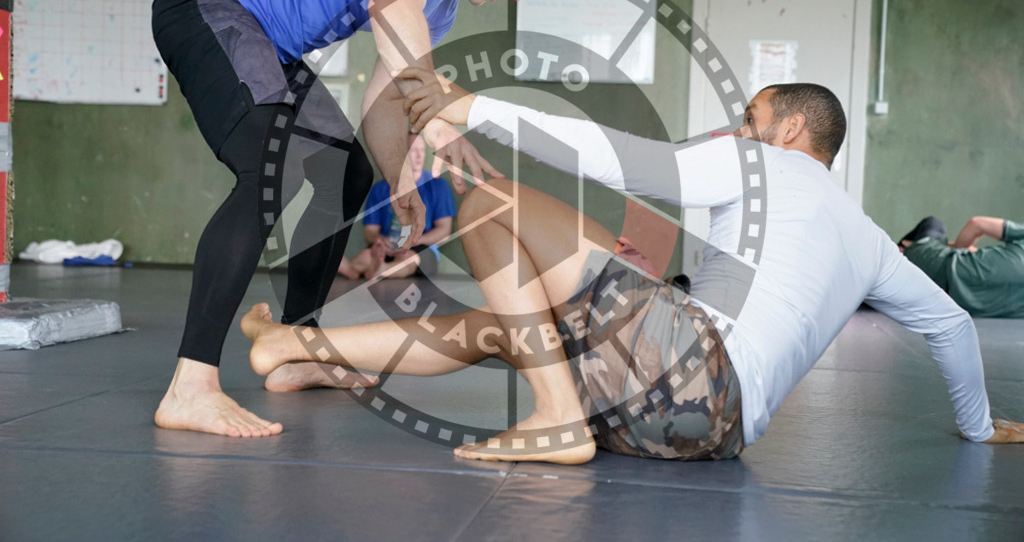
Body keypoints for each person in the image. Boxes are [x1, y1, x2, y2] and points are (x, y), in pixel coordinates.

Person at [240, 77, 1024, 463]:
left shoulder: (759, 166)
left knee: (481, 197)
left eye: (749, 118)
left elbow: (620, 162)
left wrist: (470, 107)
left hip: (680, 368)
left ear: (787, 129)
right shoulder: (867, 238)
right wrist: (977, 425)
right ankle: (302, 352)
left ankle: (554, 419)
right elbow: (952, 324)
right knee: (511, 324)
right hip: (705, 434)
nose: (734, 129)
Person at [150, 0, 573, 437]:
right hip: (210, 0)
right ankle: (190, 385)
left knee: (346, 174)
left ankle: (298, 351)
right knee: (269, 168)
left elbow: (383, 102)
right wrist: (441, 121)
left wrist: (402, 182)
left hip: (268, 43)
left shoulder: (440, 2)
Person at [338, 134, 455, 280]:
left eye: (422, 150)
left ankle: (382, 270)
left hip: (420, 247)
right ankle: (352, 270)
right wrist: (380, 240)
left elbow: (444, 231)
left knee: (409, 259)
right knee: (367, 255)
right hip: (388, 246)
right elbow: (370, 231)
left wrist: (415, 241)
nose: (419, 156)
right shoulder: (380, 189)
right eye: (413, 151)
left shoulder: (438, 187)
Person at [898, 216, 1024, 318]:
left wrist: (956, 247)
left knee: (933, 223)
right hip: (946, 305)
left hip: (932, 266)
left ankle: (896, 256)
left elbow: (976, 224)